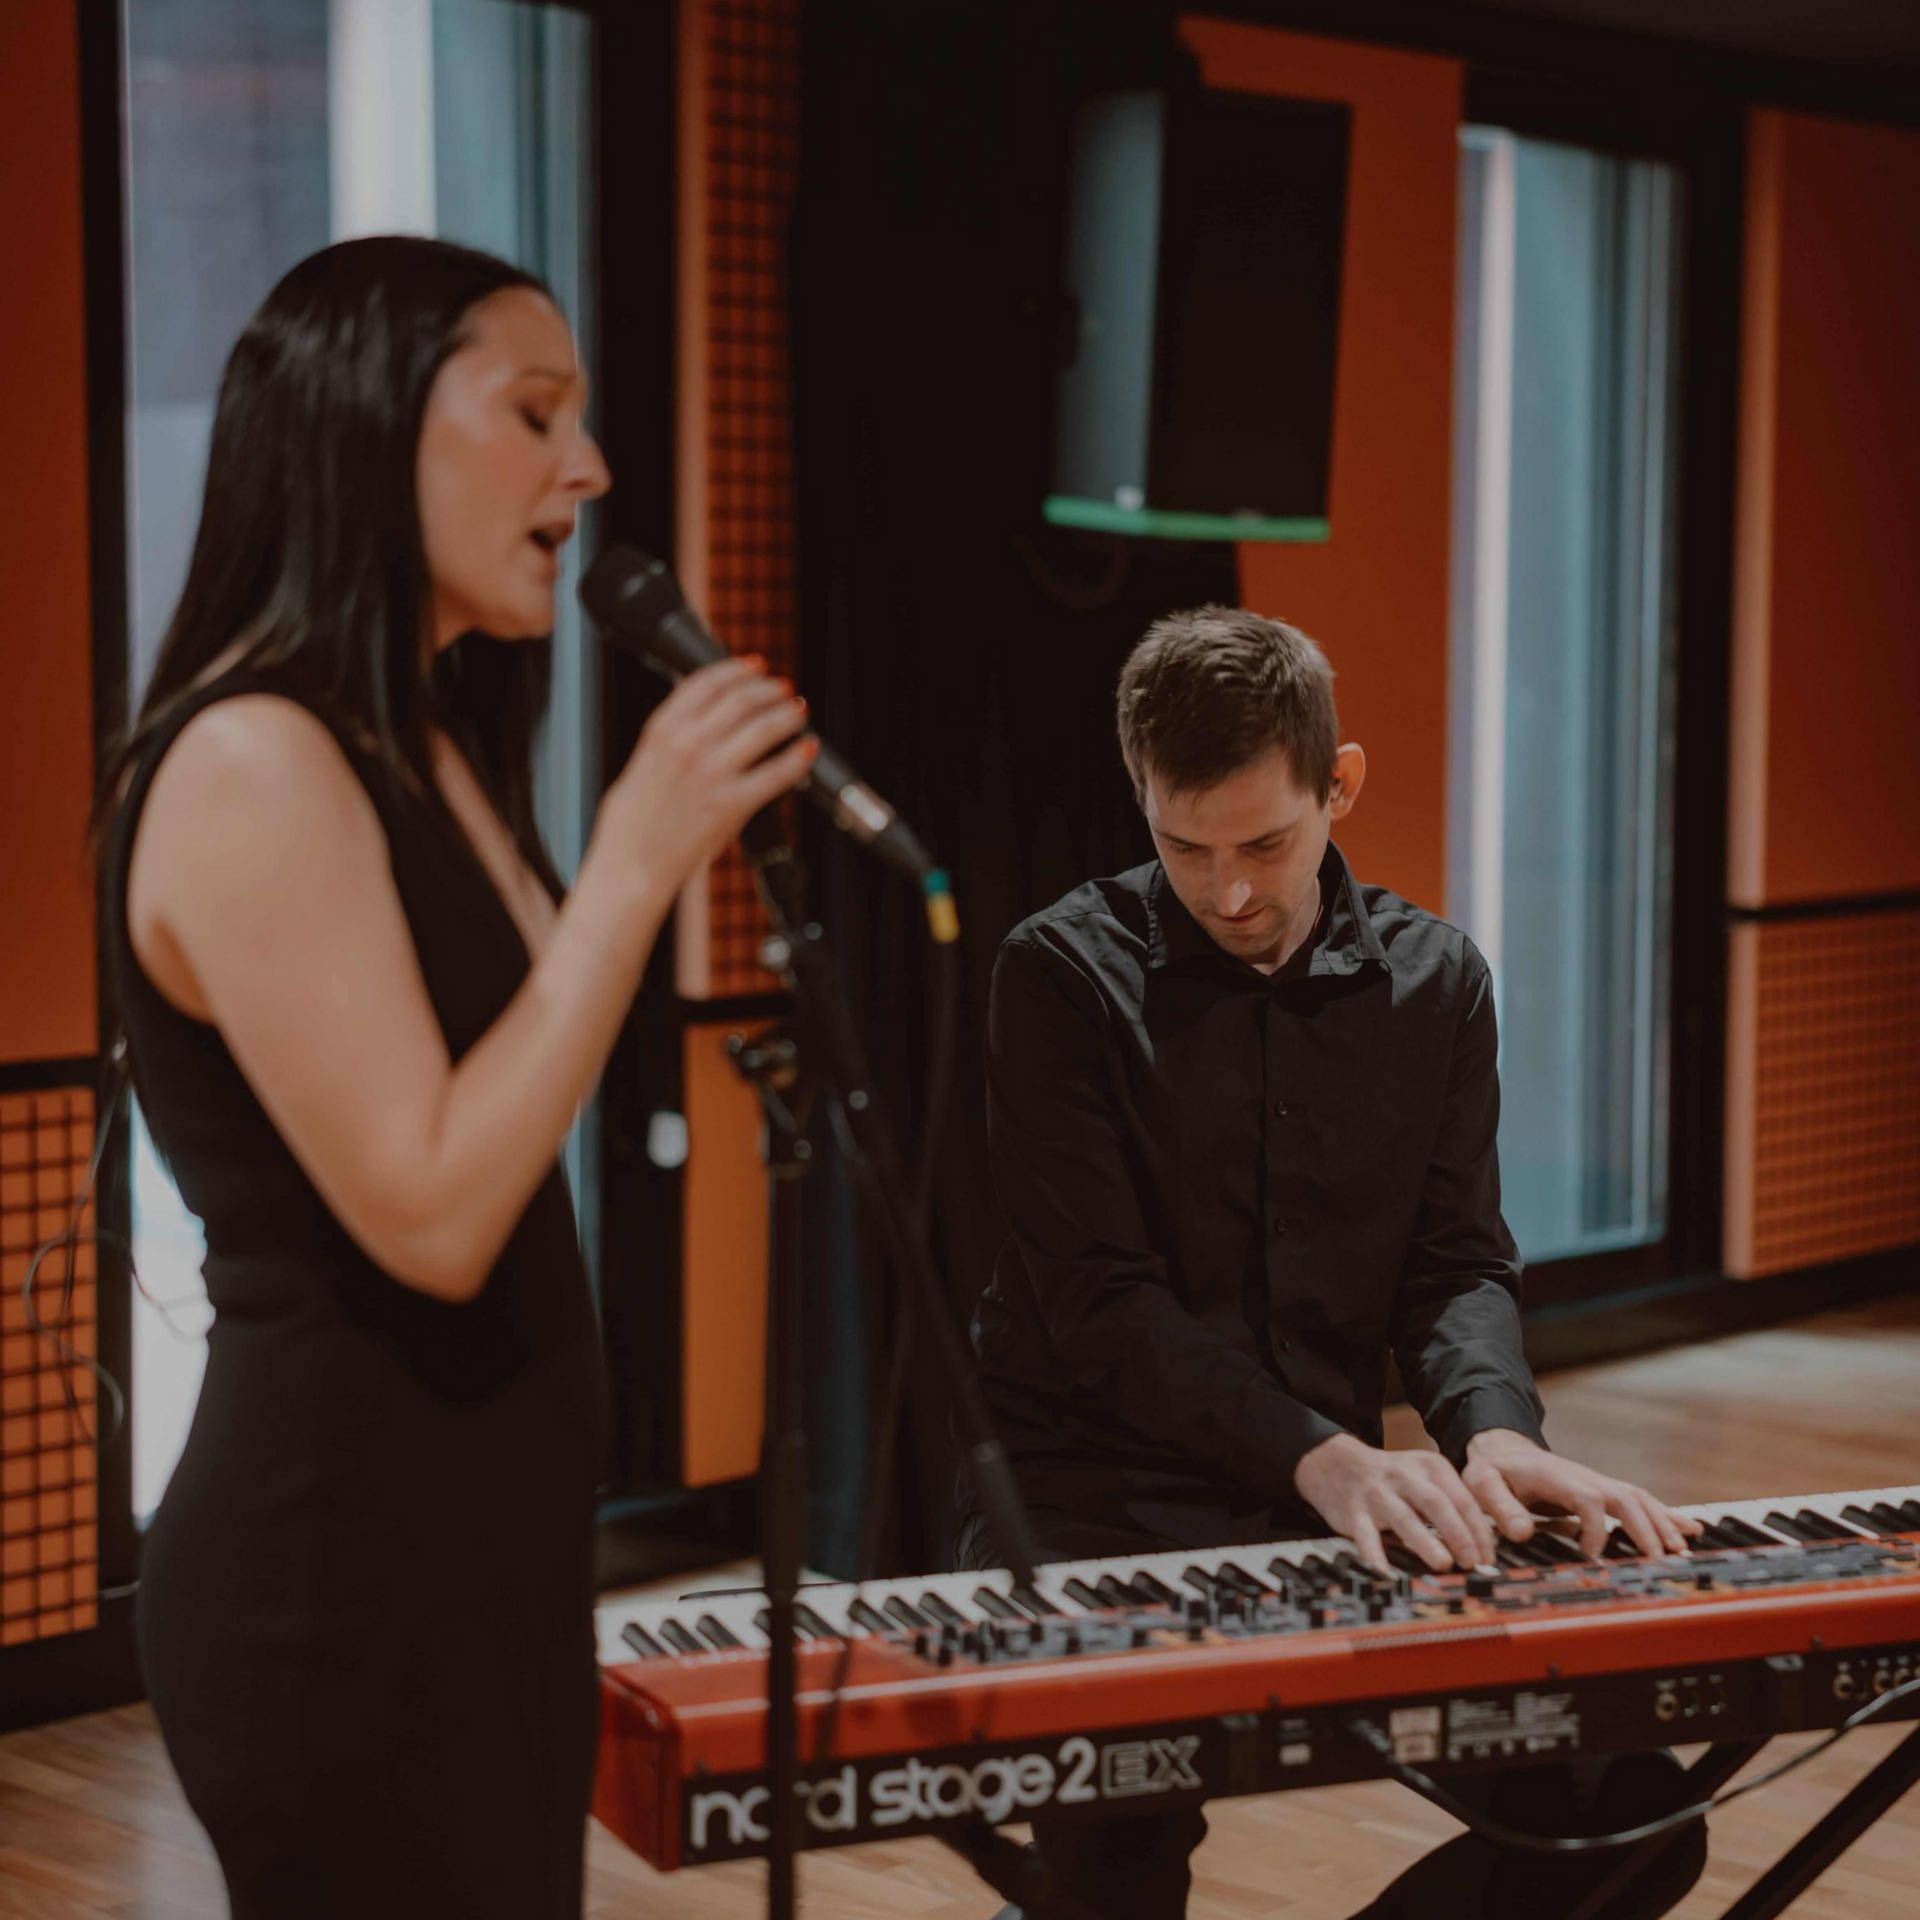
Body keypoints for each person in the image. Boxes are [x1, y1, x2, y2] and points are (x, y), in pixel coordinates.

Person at [96, 236, 817, 1918]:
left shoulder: (429, 741)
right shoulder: (249, 760)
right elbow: (429, 1209)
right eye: (534, 412)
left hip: (477, 1574)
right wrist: (637, 864)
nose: (591, 467)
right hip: (336, 1587)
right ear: (365, 430)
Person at [958, 606, 1708, 1920]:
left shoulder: (1437, 985)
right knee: (1112, 1869)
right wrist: (1320, 1451)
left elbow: (1455, 1264)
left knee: (1626, 1818)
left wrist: (1492, 1431)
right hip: (1094, 1496)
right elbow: (1100, 1305)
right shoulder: (1057, 978)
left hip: (1335, 1490)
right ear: (1139, 797)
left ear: (1339, 785)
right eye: (1184, 847)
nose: (1230, 888)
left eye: (1267, 841)